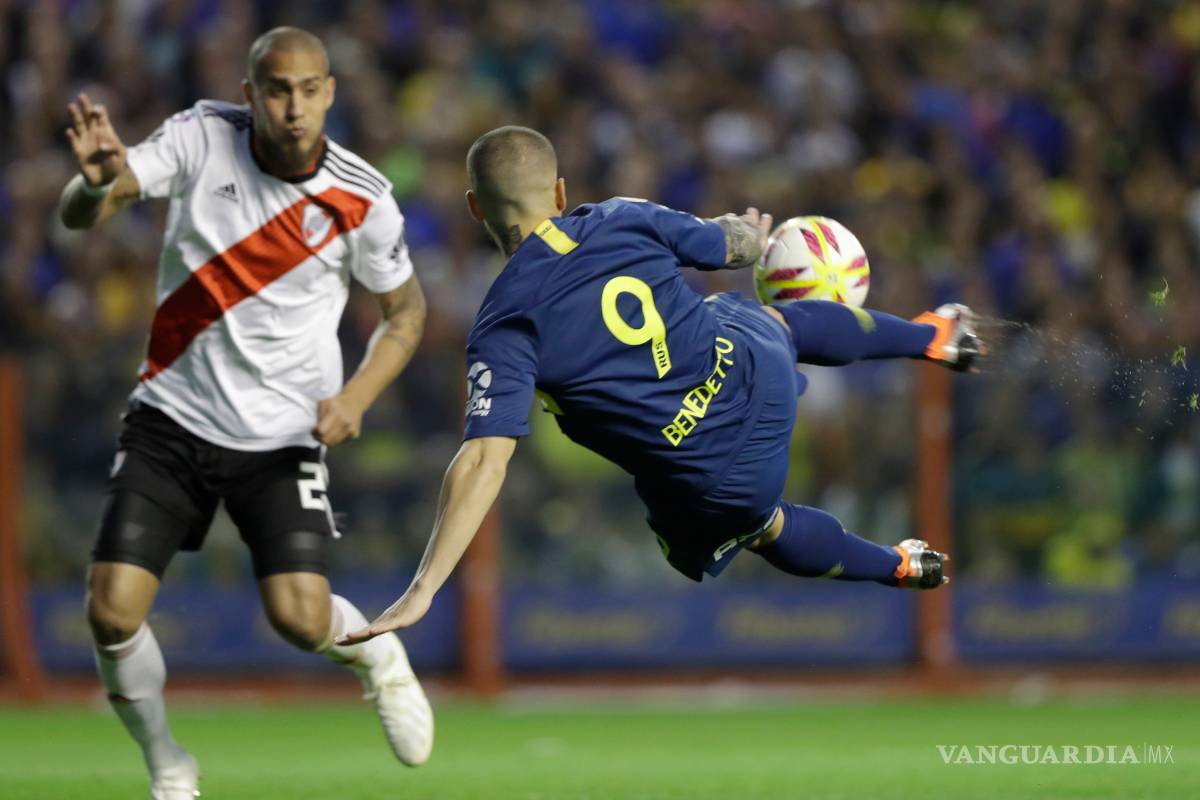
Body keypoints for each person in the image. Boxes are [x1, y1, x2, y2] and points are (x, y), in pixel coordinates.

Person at [337, 125, 982, 647]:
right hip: (759, 368)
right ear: (560, 193)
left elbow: (483, 458)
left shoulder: (505, 324)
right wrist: (752, 236)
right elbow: (733, 246)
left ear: (476, 207)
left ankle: (899, 565)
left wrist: (424, 587)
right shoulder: (621, 216)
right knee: (767, 318)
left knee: (763, 525)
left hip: (714, 474)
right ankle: (931, 337)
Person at [59, 27, 433, 800]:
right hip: (170, 416)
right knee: (110, 608)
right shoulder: (199, 138)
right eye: (276, 90)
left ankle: (375, 656)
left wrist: (357, 397)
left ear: (329, 93)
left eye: (307, 90)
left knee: (298, 620)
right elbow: (86, 208)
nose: (293, 107)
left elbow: (405, 313)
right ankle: (168, 764)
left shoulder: (363, 197)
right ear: (250, 94)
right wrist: (96, 185)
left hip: (283, 436)